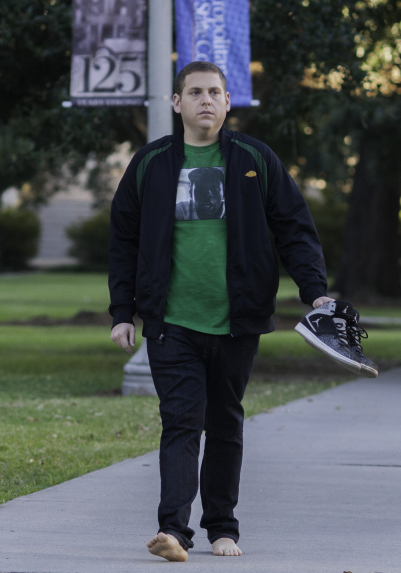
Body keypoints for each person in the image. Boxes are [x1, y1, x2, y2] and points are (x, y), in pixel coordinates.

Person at [108, 61, 333, 561]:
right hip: (171, 322)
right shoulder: (151, 162)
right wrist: (123, 311)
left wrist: (314, 290)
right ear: (177, 103)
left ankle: (222, 528)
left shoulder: (255, 158)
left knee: (226, 423)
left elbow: (294, 227)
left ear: (228, 102)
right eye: (194, 92)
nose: (205, 100)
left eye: (214, 92)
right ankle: (173, 531)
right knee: (181, 422)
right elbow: (123, 240)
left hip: (237, 320)